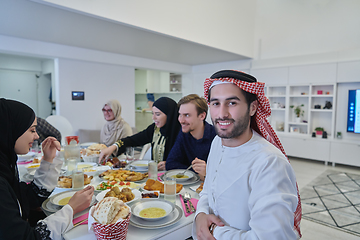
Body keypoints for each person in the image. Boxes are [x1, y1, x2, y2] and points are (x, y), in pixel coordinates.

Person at [193, 70, 302, 240]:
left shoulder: (269, 163)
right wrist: (200, 215)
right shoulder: (217, 143)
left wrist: (214, 230)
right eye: (215, 103)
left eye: (232, 103)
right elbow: (208, 190)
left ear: (253, 108)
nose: (222, 113)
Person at [0, 98, 94, 240]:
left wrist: (48, 160)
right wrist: (71, 209)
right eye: (32, 130)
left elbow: (29, 199)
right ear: (11, 129)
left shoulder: (6, 165)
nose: (37, 136)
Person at [99, 97, 181, 170]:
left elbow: (187, 161)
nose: (153, 118)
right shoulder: (154, 129)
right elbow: (133, 140)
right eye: (153, 113)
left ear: (169, 115)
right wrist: (113, 147)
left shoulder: (181, 132)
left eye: (158, 114)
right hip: (156, 176)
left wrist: (170, 165)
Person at [165, 94, 216, 180]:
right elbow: (170, 163)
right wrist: (197, 173)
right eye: (180, 115)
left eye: (187, 115)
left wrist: (209, 171)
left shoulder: (217, 136)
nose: (181, 120)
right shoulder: (184, 133)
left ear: (202, 116)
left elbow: (227, 172)